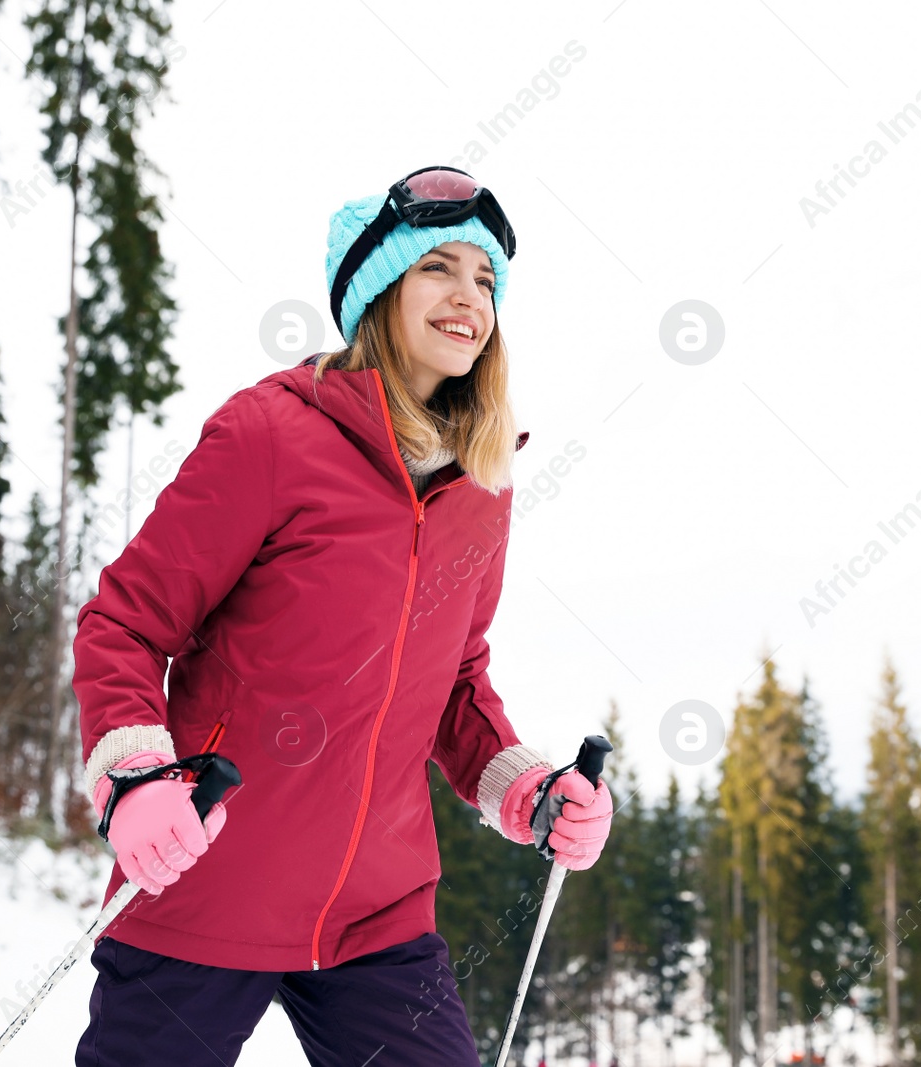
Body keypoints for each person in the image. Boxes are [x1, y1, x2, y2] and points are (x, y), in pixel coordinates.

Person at [72, 165, 616, 1066]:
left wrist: (531, 790)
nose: (468, 298)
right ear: (378, 289)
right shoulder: (270, 434)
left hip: (379, 913)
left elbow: (455, 679)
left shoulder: (482, 486)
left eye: (485, 280)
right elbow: (124, 623)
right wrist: (135, 779)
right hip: (209, 885)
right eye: (439, 267)